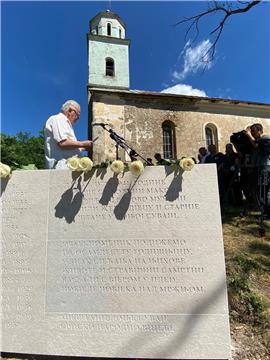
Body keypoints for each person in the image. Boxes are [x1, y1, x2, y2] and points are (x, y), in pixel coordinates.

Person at [44, 100, 93, 169]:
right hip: (61, 168)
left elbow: (68, 148)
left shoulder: (65, 123)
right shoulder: (59, 119)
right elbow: (63, 143)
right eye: (77, 115)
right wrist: (83, 144)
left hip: (66, 168)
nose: (78, 119)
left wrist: (83, 148)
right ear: (70, 110)